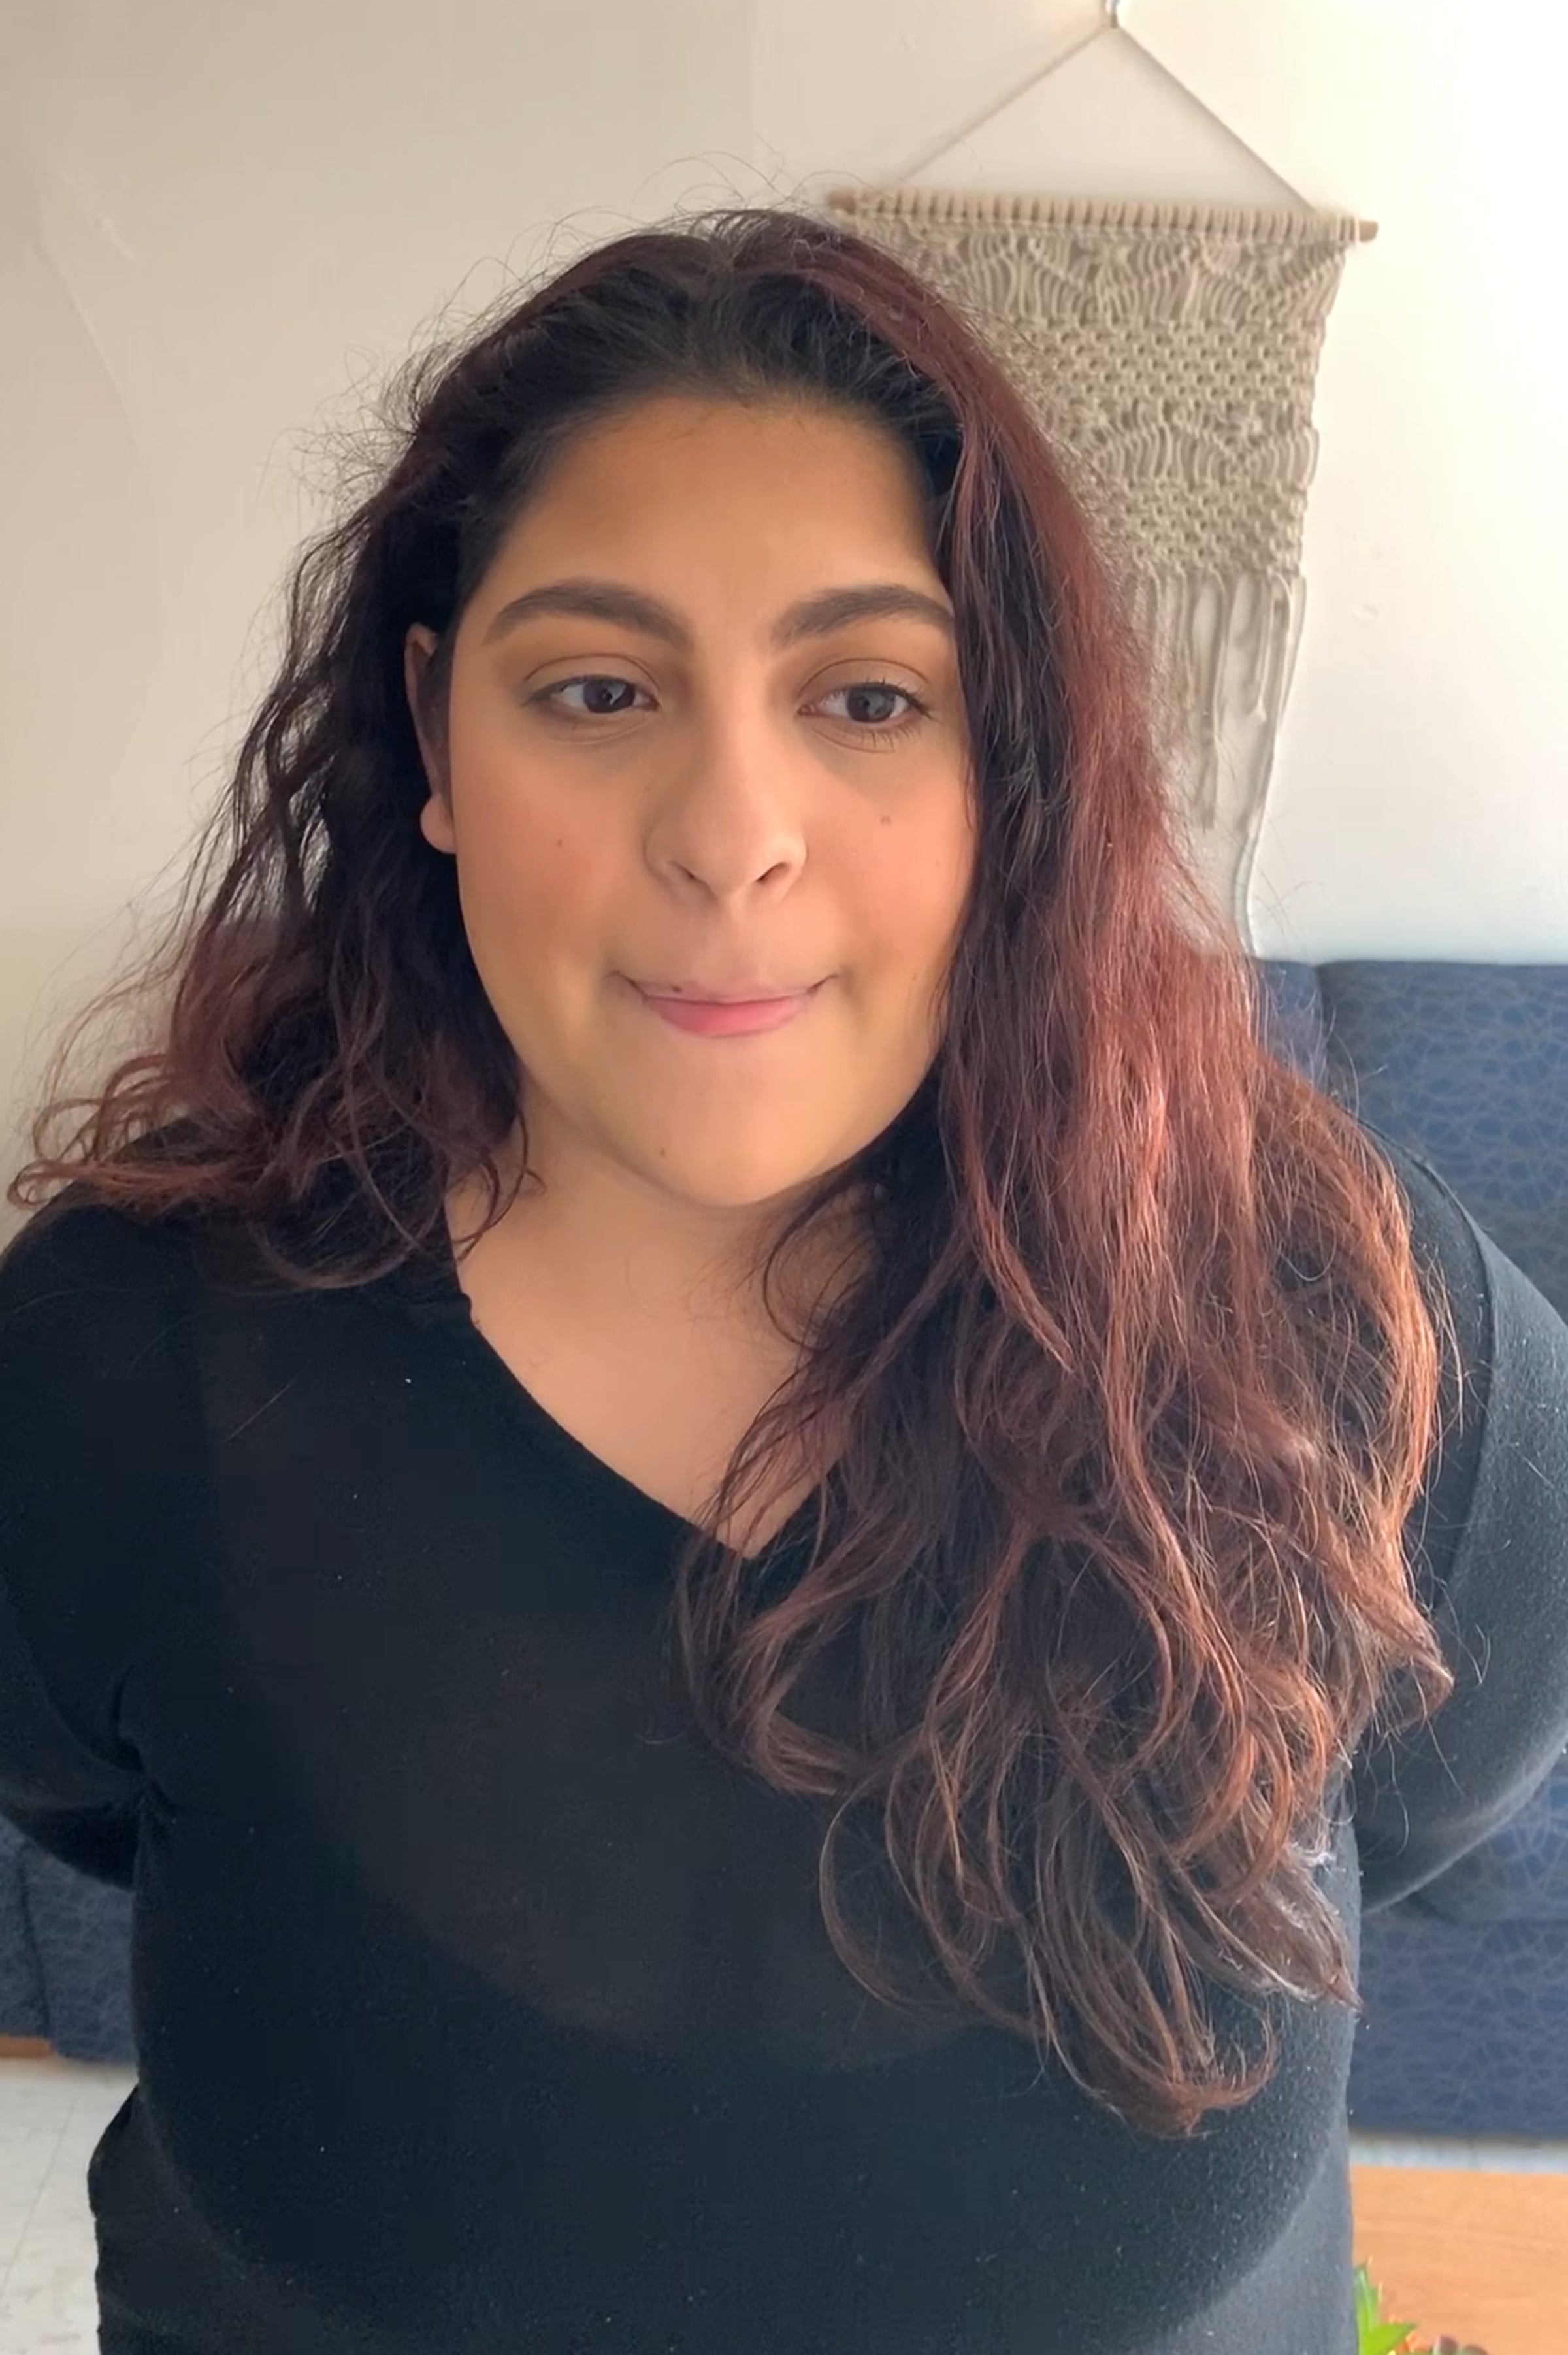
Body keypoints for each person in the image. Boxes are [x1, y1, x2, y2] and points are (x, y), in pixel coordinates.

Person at [1, 204, 1565, 2355]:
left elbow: (1439, 1787)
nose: (732, 828)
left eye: (866, 694)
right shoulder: (118, 1360)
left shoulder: (1346, 1332)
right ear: (437, 739)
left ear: (1008, 762)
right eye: (598, 689)